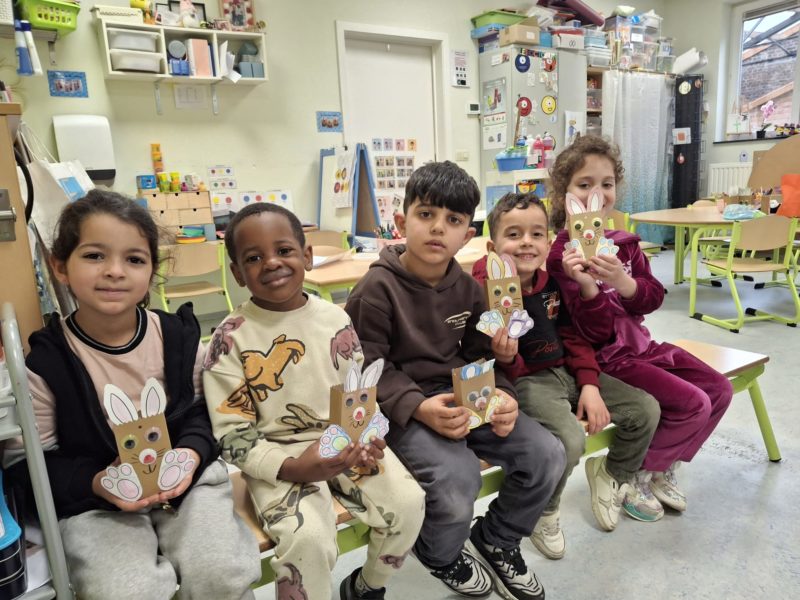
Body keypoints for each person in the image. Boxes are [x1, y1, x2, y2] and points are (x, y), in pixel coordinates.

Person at [4, 189, 261, 600]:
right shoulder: (48, 363)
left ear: (152, 270)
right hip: (95, 504)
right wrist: (97, 483)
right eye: (94, 256)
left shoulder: (178, 338)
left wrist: (192, 454)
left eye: (135, 259)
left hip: (188, 484)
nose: (115, 271)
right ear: (60, 266)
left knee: (219, 572)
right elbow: (28, 465)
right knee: (126, 591)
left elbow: (208, 413)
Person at [345, 161, 565, 600]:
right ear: (401, 221)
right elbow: (366, 368)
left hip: (463, 396)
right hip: (400, 409)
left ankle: (498, 537)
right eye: (426, 214)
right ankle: (440, 554)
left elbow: (479, 354)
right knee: (457, 478)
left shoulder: (467, 288)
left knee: (547, 454)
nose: (437, 228)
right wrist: (418, 407)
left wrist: (502, 394)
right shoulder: (375, 291)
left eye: (453, 220)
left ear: (467, 235)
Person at [202, 203, 424, 600]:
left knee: (409, 503)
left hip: (346, 441)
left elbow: (359, 388)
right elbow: (232, 435)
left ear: (306, 256)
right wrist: (292, 467)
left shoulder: (336, 319)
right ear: (237, 273)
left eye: (284, 250)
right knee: (308, 540)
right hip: (279, 459)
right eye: (253, 258)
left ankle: (367, 587)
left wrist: (369, 433)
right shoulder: (230, 339)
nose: (271, 262)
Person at [546, 135, 734, 519]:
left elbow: (652, 297)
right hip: (608, 359)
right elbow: (592, 333)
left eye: (606, 184)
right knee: (693, 403)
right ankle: (632, 474)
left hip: (643, 347)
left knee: (719, 390)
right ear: (564, 194)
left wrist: (623, 281)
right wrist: (588, 286)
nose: (596, 194)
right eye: (584, 184)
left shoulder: (625, 244)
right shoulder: (561, 258)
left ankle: (660, 466)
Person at [472, 192, 661, 560]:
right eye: (514, 234)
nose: (526, 242)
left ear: (548, 243)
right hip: (527, 381)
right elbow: (479, 355)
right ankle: (544, 511)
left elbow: (573, 336)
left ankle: (613, 474)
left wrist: (589, 383)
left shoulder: (552, 284)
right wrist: (504, 357)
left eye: (536, 234)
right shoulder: (483, 293)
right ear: (493, 246)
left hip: (568, 372)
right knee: (571, 440)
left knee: (645, 409)